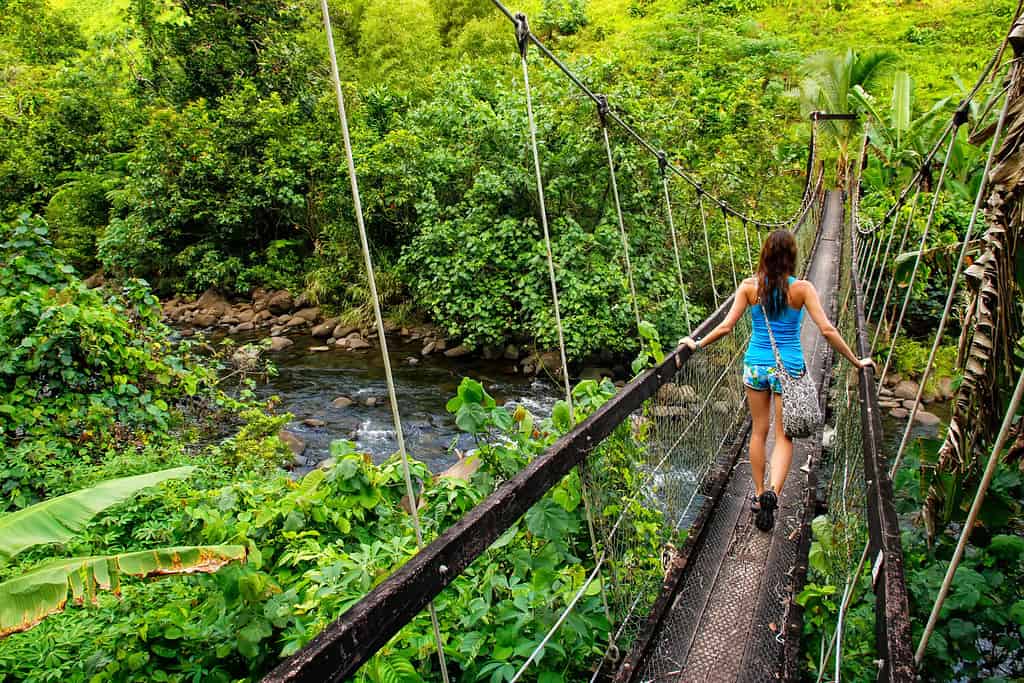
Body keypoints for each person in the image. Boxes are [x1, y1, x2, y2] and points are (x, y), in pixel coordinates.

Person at [678, 230, 873, 532]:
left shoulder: (748, 288)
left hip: (756, 366)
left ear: (764, 255)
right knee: (784, 436)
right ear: (793, 257)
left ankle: (757, 494)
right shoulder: (803, 289)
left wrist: (696, 342)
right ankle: (774, 493)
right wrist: (856, 361)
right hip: (790, 370)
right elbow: (827, 331)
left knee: (759, 431)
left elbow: (727, 327)